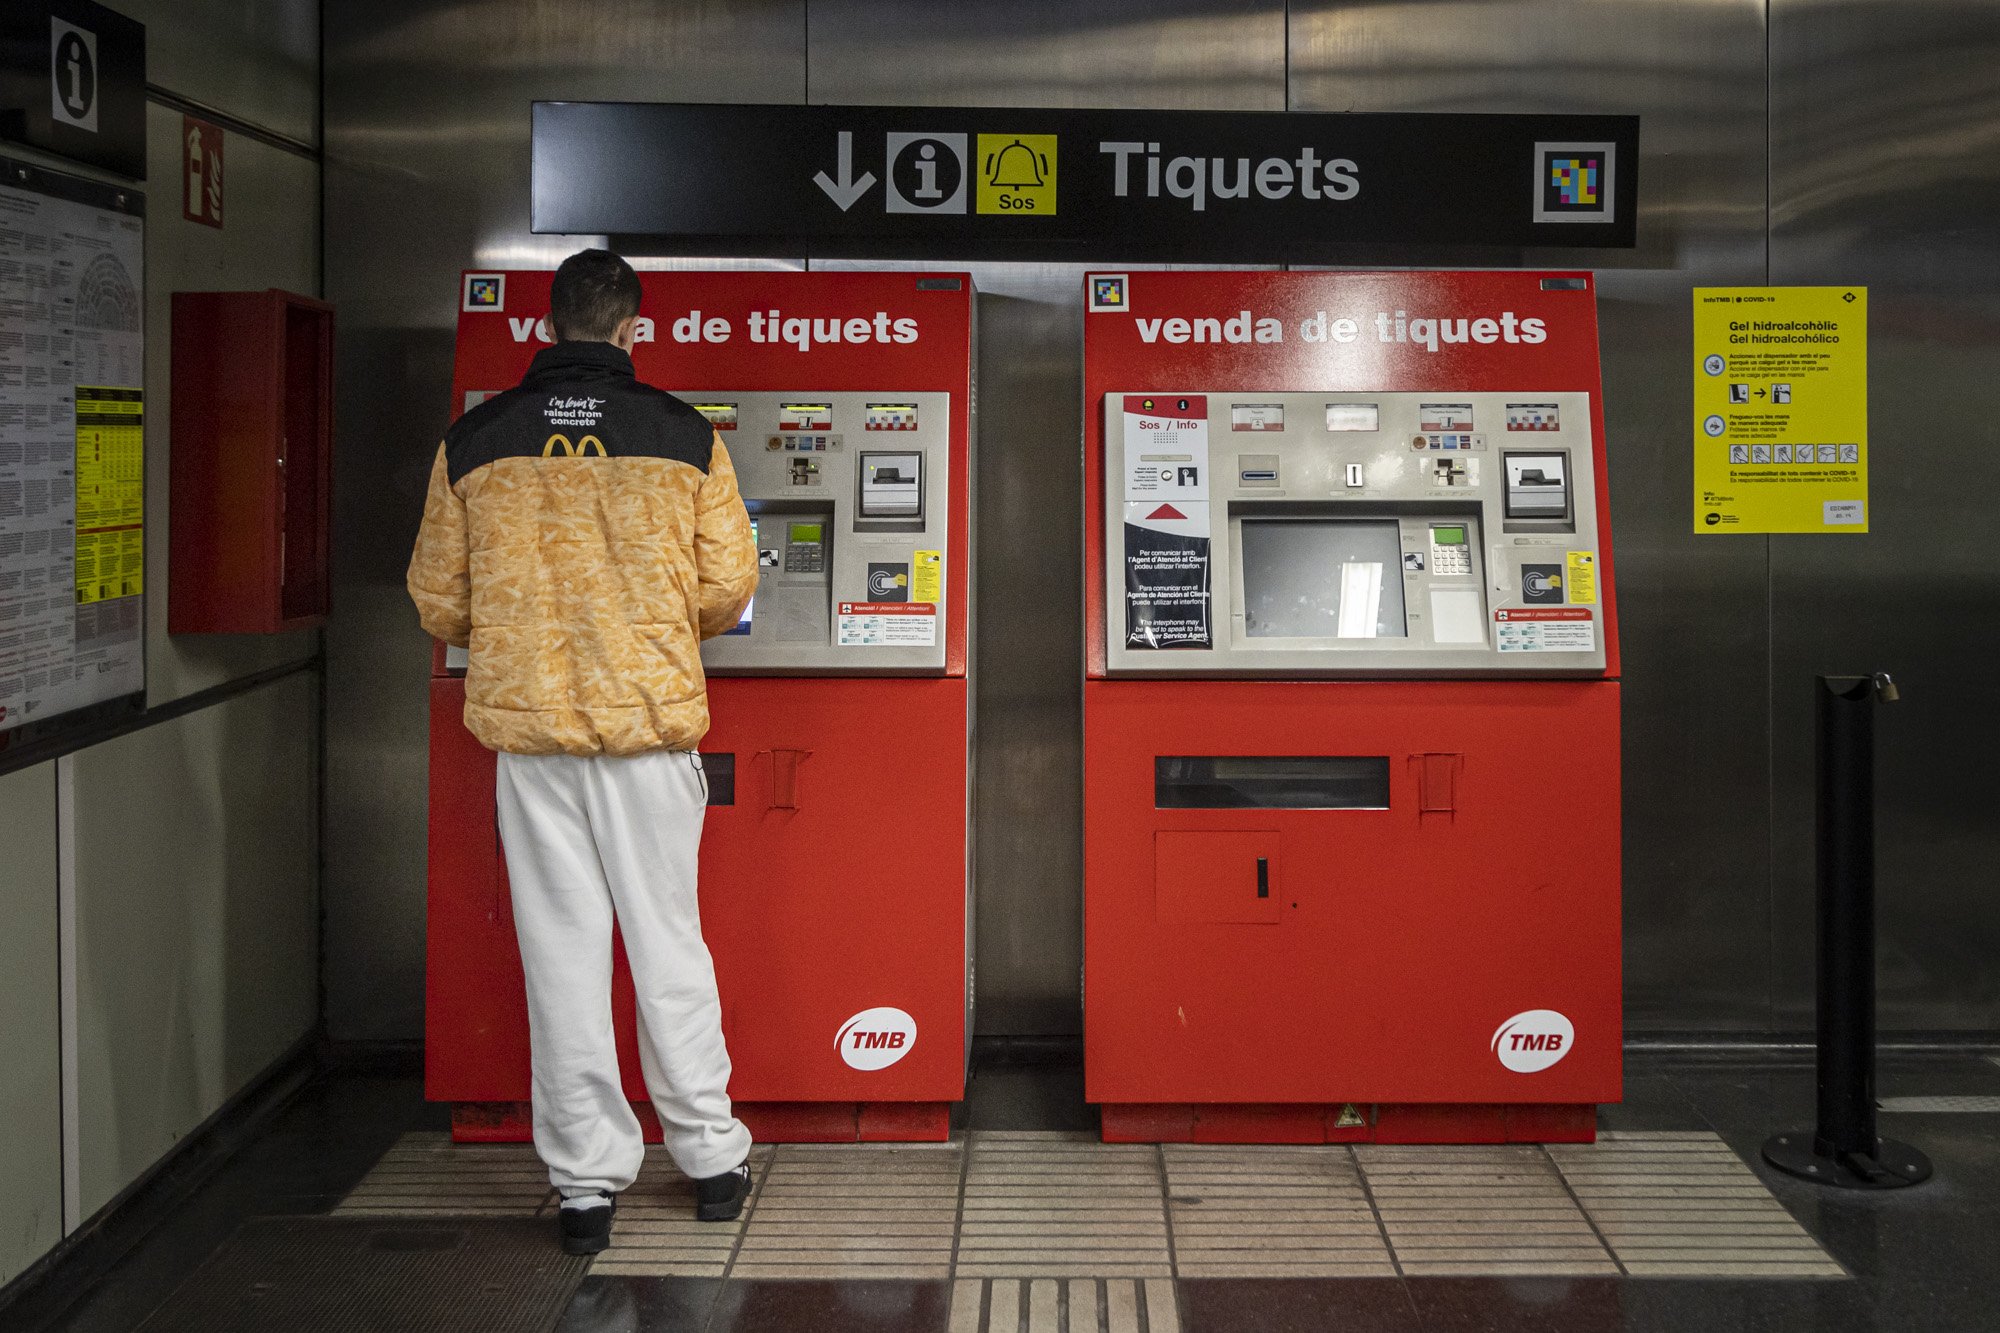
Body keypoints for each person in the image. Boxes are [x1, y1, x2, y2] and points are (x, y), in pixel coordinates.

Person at [407, 249, 758, 1255]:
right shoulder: (683, 436)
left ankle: (584, 1187)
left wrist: (525, 626)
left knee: (559, 956)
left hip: (534, 741)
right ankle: (709, 1156)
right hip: (645, 734)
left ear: (547, 326)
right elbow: (726, 585)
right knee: (668, 947)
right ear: (630, 330)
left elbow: (438, 596)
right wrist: (641, 621)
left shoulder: (474, 440)